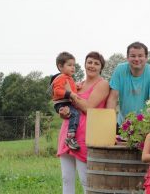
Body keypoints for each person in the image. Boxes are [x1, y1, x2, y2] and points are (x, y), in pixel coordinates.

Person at [57, 51, 109, 194]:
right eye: (89, 62)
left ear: (101, 67)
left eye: (96, 63)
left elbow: (88, 108)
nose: (92, 66)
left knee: (86, 180)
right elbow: (67, 104)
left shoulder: (103, 84)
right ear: (85, 64)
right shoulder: (77, 84)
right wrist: (63, 112)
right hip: (68, 132)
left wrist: (70, 94)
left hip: (85, 135)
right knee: (66, 178)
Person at [106, 41, 150, 129]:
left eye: (140, 56)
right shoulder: (119, 70)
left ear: (146, 58)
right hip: (123, 124)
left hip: (145, 126)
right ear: (127, 57)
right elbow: (112, 98)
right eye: (133, 56)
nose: (136, 59)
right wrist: (110, 124)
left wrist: (143, 127)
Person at [50, 52, 81, 150]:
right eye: (69, 65)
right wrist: (70, 94)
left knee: (75, 113)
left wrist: (76, 86)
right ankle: (70, 137)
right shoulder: (60, 77)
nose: (73, 67)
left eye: (74, 65)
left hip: (65, 101)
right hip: (61, 103)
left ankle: (71, 136)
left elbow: (70, 88)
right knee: (75, 114)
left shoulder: (69, 78)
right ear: (60, 66)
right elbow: (57, 90)